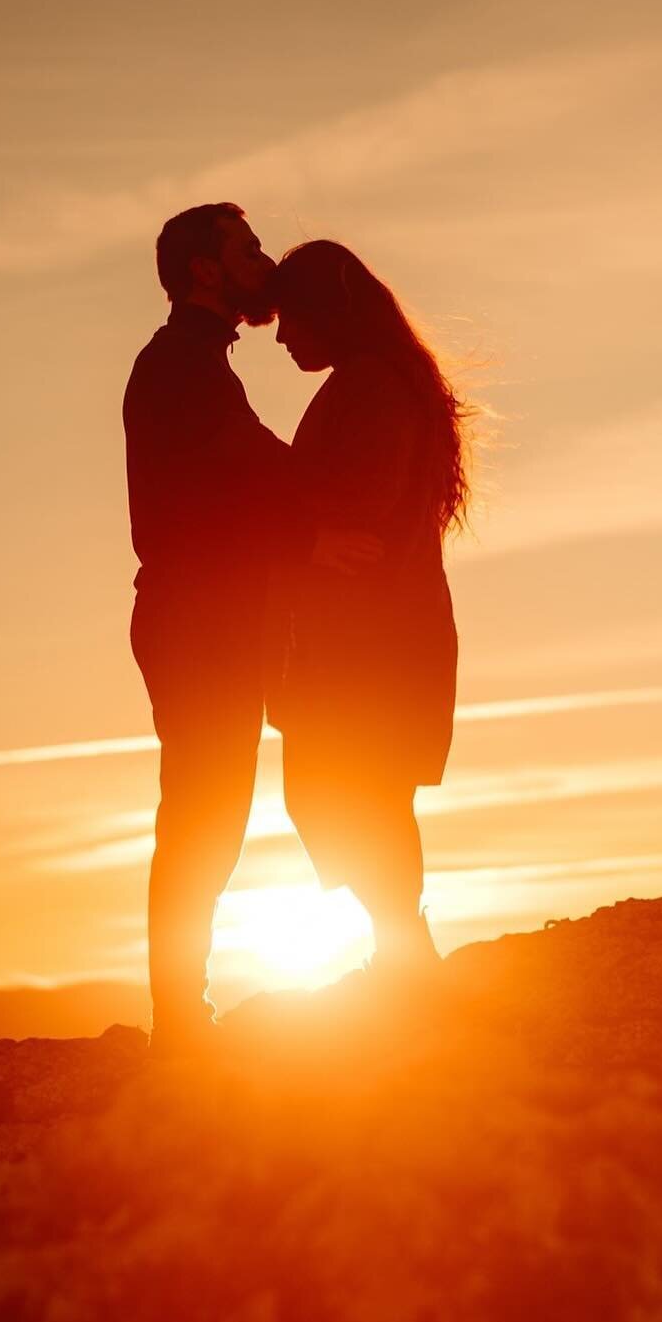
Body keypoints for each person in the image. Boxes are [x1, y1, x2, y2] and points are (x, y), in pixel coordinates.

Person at [122, 205, 378, 1057]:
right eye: (247, 251)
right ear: (205, 270)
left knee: (210, 813)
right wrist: (315, 538)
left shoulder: (196, 365)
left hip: (210, 620)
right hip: (196, 622)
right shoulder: (178, 367)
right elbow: (232, 483)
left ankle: (178, 1012)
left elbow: (249, 469)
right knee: (202, 813)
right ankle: (177, 1019)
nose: (262, 263)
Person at [269, 240, 469, 978]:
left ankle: (403, 949)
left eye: (293, 319)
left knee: (358, 793)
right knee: (350, 795)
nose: (283, 337)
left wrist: (273, 502)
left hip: (372, 637)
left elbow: (358, 508)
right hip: (375, 630)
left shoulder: (371, 388)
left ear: (331, 313)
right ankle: (401, 944)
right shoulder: (373, 382)